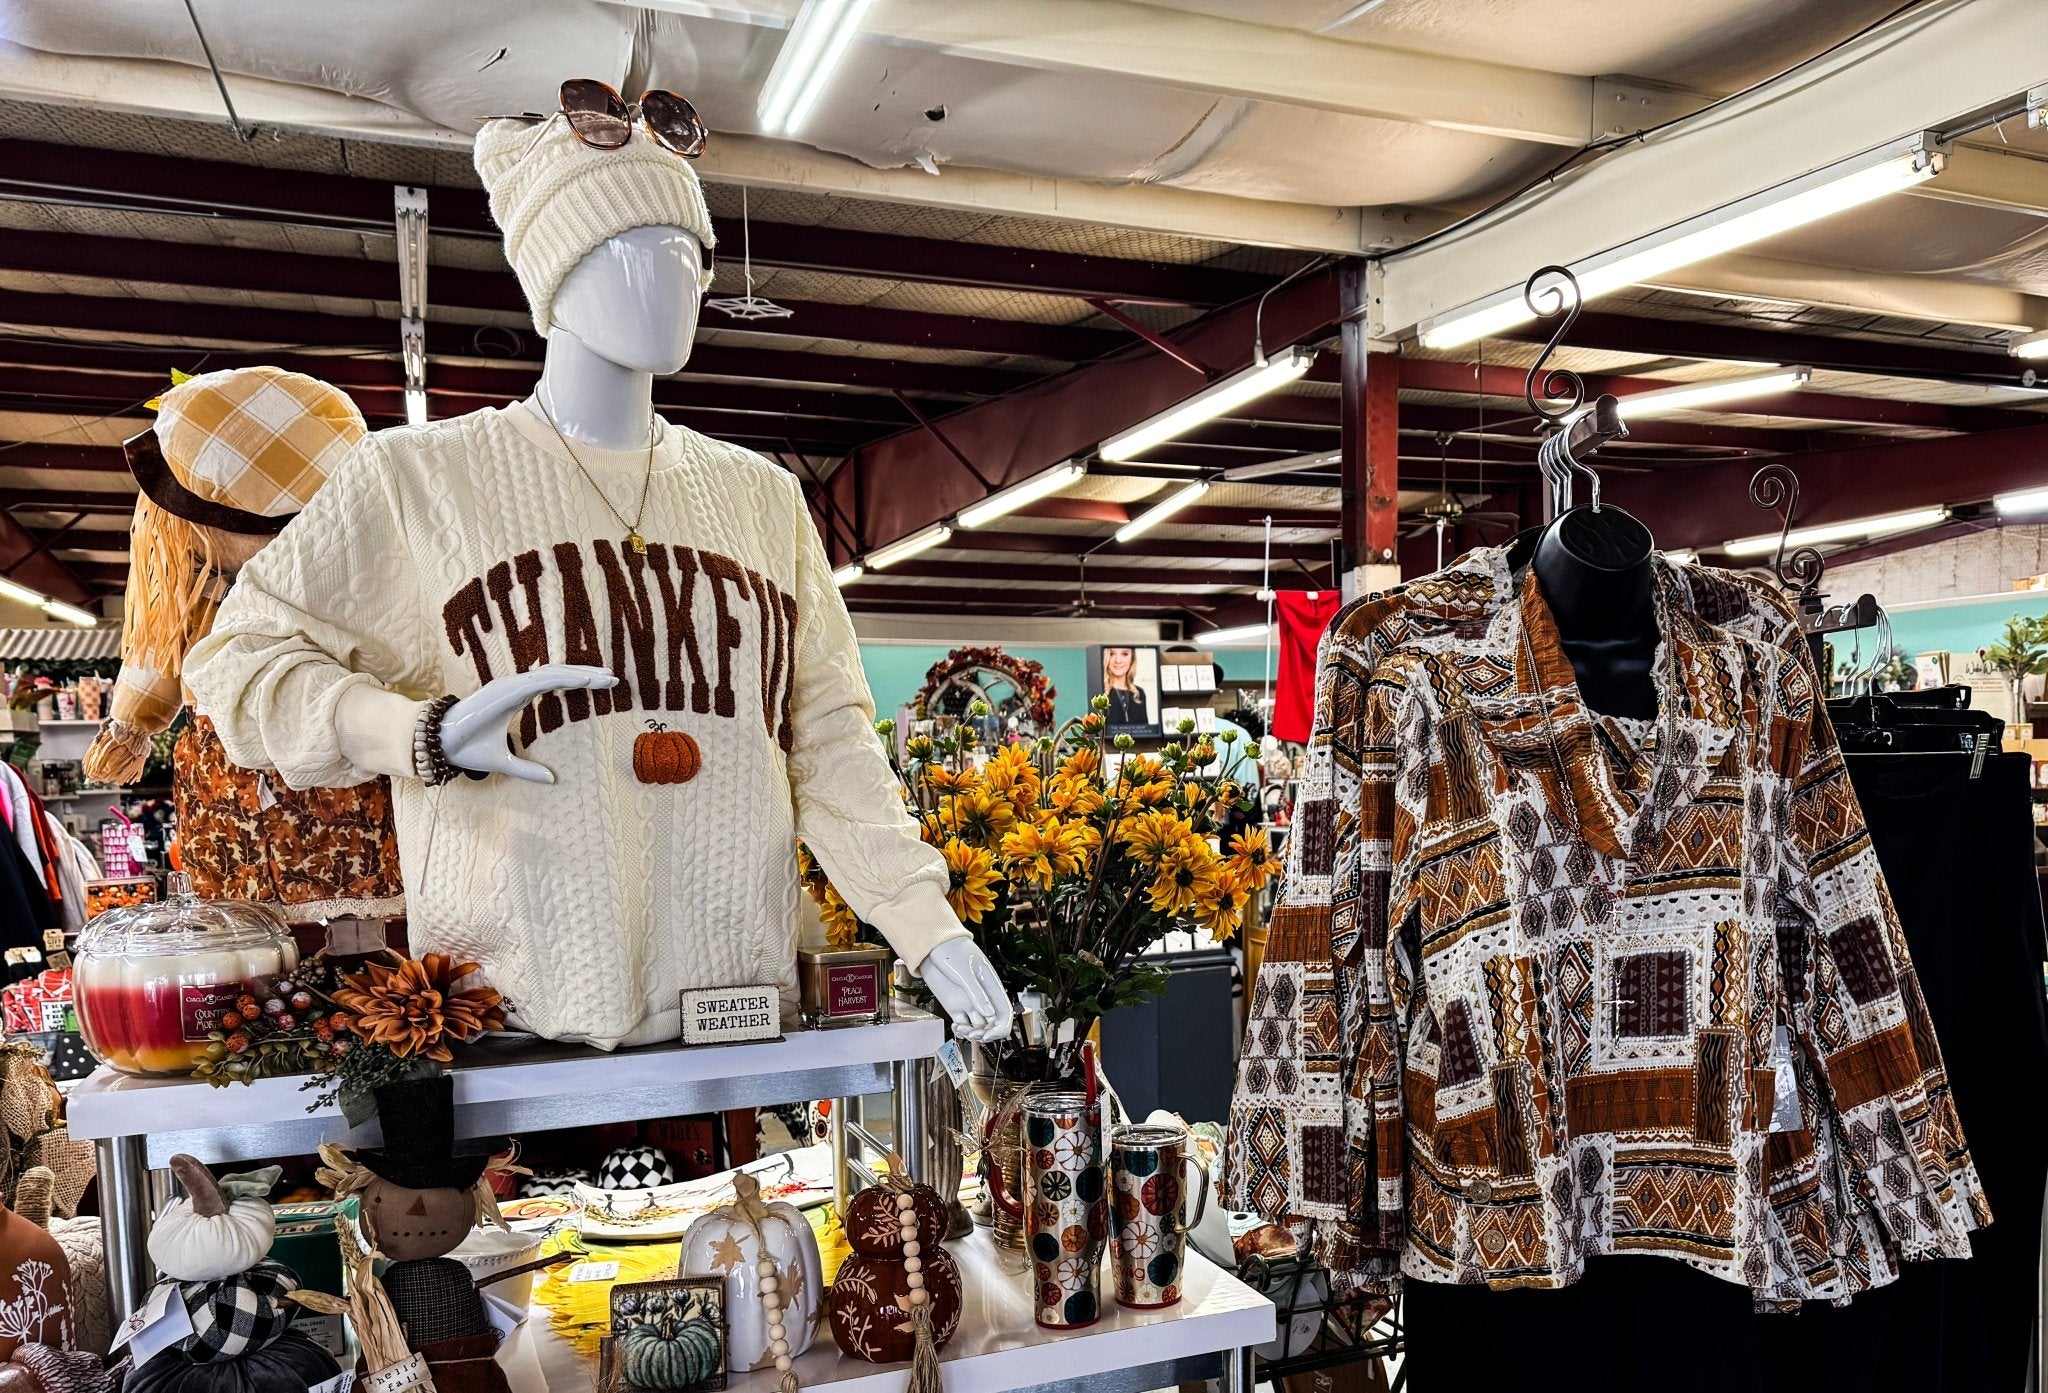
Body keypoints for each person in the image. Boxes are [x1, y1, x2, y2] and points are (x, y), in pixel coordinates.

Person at [1102, 646, 1149, 726]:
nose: (1118, 660)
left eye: (1124, 654)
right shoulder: (1100, 693)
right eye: (1112, 654)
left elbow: (1146, 731)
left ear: (1132, 658)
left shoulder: (1139, 693)